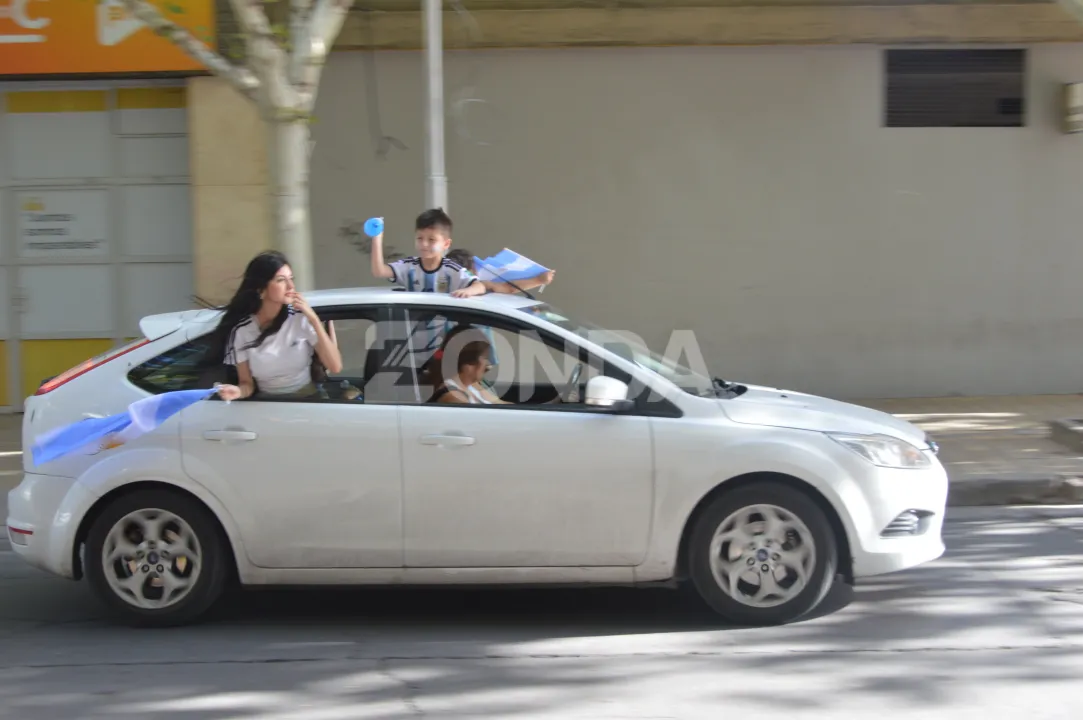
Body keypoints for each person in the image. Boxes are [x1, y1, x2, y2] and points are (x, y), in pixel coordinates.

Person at [213, 251, 342, 401]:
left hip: (308, 401)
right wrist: (238, 392)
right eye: (281, 280)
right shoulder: (242, 331)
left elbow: (335, 366)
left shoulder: (300, 319)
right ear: (261, 289)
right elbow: (247, 384)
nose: (291, 286)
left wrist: (313, 318)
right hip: (268, 406)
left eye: (291, 279)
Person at [369, 208, 486, 298]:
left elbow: (480, 286)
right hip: (413, 330)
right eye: (420, 238)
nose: (424, 244)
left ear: (446, 244)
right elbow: (379, 271)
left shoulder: (452, 270)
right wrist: (377, 237)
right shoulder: (408, 267)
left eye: (431, 240)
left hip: (448, 330)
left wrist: (467, 291)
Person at [427, 328, 509, 405]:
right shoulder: (454, 397)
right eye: (485, 358)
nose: (487, 364)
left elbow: (501, 404)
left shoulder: (473, 385)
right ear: (469, 364)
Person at [446, 248, 555, 295]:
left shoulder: (442, 286)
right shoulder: (478, 285)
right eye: (476, 268)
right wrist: (538, 280)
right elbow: (509, 288)